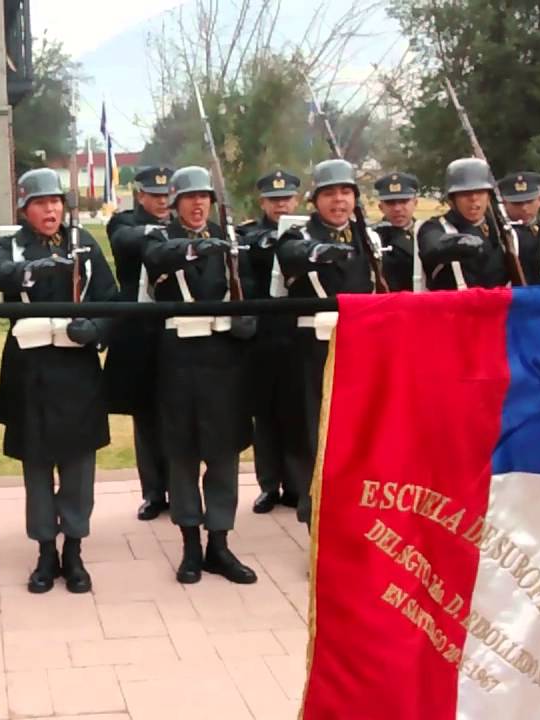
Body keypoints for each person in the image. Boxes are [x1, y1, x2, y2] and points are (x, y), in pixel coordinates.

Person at [0, 168, 119, 594]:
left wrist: (97, 330)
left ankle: (75, 550)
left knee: (79, 465)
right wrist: (35, 267)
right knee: (37, 465)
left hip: (76, 367)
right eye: (42, 203)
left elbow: (110, 299)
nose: (51, 209)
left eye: (56, 202)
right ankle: (45, 550)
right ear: (25, 208)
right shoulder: (9, 245)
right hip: (31, 370)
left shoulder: (83, 242)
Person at [141, 166, 257, 584]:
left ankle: (220, 545)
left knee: (224, 458)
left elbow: (250, 285)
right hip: (179, 361)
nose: (198, 204)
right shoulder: (158, 238)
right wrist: (199, 249)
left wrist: (249, 320)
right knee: (183, 458)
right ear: (174, 204)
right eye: (189, 198)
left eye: (204, 197)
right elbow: (156, 258)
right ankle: (190, 546)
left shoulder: (231, 242)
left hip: (224, 361)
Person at [276, 160, 377, 527]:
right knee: (317, 436)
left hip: (362, 347)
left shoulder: (369, 237)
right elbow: (290, 255)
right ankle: (317, 518)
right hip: (315, 347)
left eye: (346, 192)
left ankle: (359, 515)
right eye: (330, 193)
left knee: (362, 434)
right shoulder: (297, 235)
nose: (339, 201)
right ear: (314, 200)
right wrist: (320, 252)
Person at [104, 166, 174, 521]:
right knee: (145, 414)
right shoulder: (125, 221)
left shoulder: (179, 221)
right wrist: (156, 232)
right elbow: (124, 241)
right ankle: (153, 491)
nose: (162, 201)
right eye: (155, 194)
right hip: (139, 331)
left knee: (176, 410)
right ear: (140, 195)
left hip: (174, 326)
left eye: (166, 194)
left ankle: (180, 487)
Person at [239, 168, 303, 514]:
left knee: (296, 413)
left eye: (287, 198)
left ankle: (296, 484)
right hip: (263, 336)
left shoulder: (308, 233)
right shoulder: (250, 234)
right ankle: (268, 485)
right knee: (263, 415)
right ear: (262, 201)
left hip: (298, 336)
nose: (281, 204)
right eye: (274, 199)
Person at [417, 158, 512, 290]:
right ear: (451, 199)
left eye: (480, 191)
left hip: (499, 306)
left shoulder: (502, 228)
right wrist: (457, 243)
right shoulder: (436, 226)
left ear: (488, 196)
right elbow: (432, 247)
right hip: (453, 307)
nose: (473, 198)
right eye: (465, 193)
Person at [372, 171, 422, 292]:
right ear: (381, 207)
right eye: (390, 203)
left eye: (404, 201)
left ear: (415, 203)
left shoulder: (425, 232)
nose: (397, 208)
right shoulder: (372, 236)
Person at [497, 171, 540, 284]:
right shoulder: (497, 235)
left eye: (529, 201)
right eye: (517, 203)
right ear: (505, 203)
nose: (524, 208)